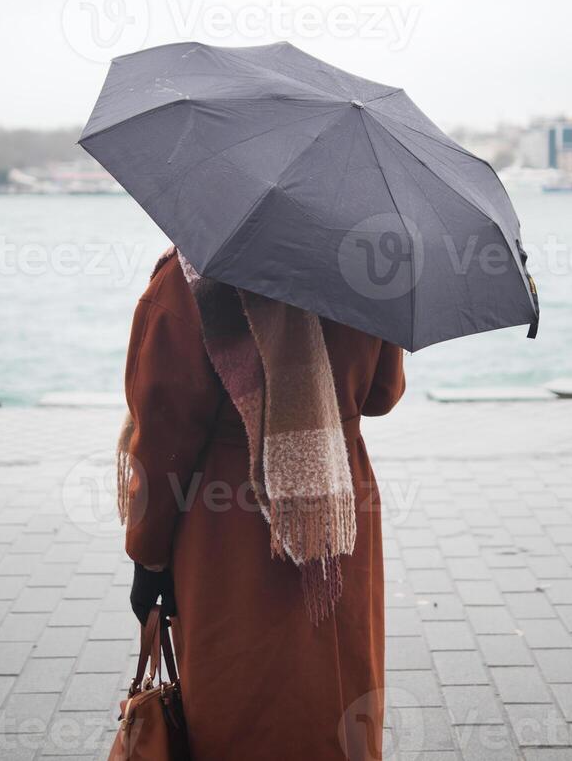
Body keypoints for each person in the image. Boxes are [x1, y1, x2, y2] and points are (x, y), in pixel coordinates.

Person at [121, 248, 405, 761]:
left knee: (240, 701)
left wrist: (148, 558)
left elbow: (162, 433)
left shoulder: (189, 280)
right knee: (341, 695)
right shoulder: (368, 271)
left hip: (226, 519)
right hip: (337, 507)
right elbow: (383, 393)